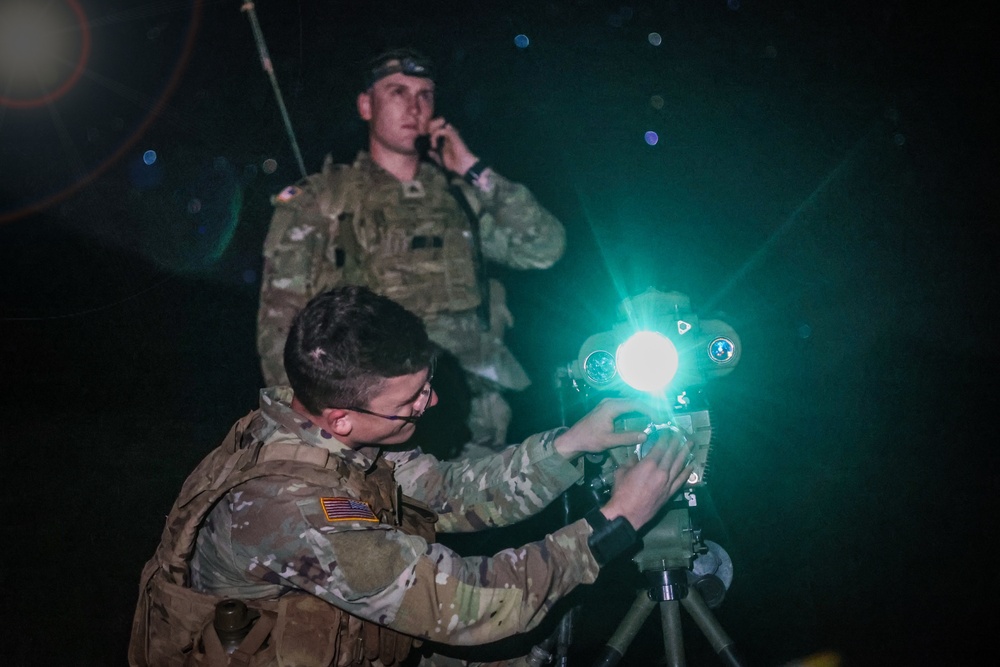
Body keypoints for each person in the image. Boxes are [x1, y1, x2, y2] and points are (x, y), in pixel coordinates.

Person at [130, 286, 694, 667]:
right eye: (411, 399)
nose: (432, 402)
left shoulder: (317, 426)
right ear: (343, 416)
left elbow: (451, 493)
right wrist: (617, 521)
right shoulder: (294, 510)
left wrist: (572, 443)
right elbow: (473, 607)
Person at [256, 48, 566, 451]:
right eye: (397, 92)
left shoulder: (458, 198)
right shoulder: (324, 201)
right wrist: (310, 433)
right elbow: (279, 327)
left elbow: (544, 247)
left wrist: (473, 169)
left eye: (425, 94)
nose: (414, 107)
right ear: (366, 105)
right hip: (375, 421)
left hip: (473, 418)